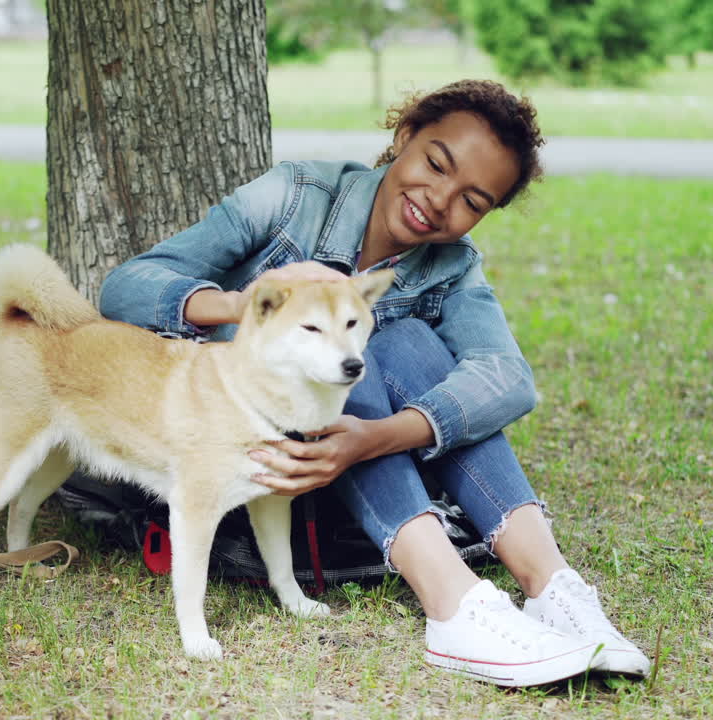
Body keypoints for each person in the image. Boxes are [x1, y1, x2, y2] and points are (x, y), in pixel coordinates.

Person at [97, 79, 651, 687]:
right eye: (435, 163)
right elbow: (126, 287)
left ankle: (552, 587)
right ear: (404, 136)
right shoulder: (294, 195)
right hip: (237, 462)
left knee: (401, 340)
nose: (439, 201)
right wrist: (251, 303)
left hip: (349, 465)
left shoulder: (453, 266)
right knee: (362, 348)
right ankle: (451, 602)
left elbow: (508, 378)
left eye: (472, 200)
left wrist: (375, 437)